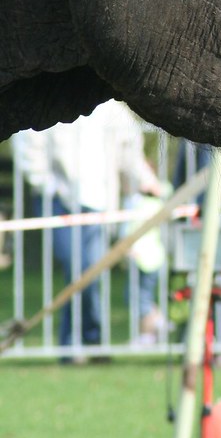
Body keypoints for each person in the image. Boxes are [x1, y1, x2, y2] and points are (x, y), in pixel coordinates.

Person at [12, 100, 161, 355]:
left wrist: (148, 183)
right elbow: (28, 146)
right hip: (59, 201)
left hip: (100, 204)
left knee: (91, 273)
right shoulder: (55, 97)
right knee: (77, 267)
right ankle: (77, 344)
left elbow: (130, 155)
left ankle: (88, 342)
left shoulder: (114, 109)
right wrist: (48, 186)